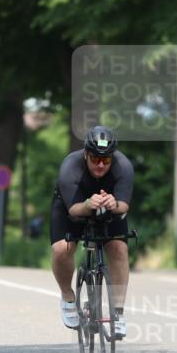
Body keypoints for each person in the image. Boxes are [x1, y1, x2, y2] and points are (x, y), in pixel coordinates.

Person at [50, 125, 133, 339]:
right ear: (86, 154)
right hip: (75, 206)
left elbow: (124, 205)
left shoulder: (123, 166)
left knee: (119, 249)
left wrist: (114, 203)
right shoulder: (70, 166)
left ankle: (118, 313)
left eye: (106, 161)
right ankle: (68, 298)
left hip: (108, 208)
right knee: (61, 249)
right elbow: (74, 210)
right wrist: (88, 204)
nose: (100, 165)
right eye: (95, 159)